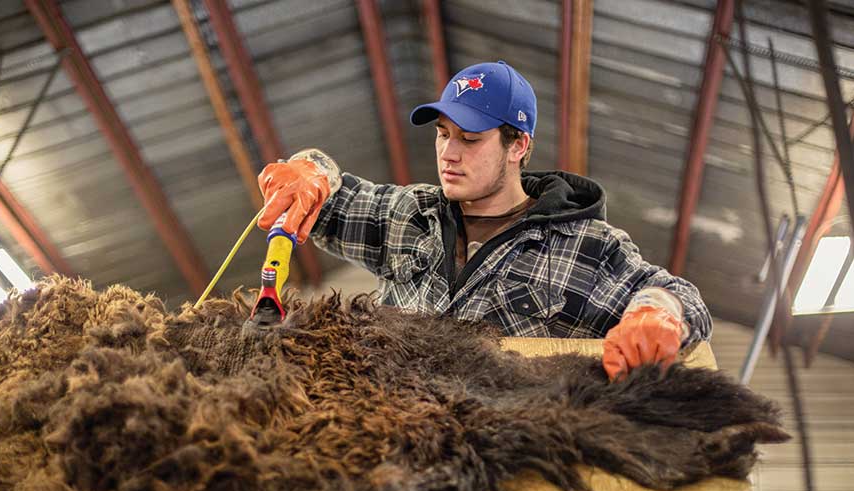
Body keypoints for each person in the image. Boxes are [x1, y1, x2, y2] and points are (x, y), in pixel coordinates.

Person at [255, 60, 712, 380]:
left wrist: (658, 311)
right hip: (396, 457)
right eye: (442, 134)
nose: (448, 155)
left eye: (470, 139)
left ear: (518, 147)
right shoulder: (409, 217)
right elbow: (330, 190)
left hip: (511, 472)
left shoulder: (585, 248)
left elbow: (679, 295)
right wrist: (309, 167)